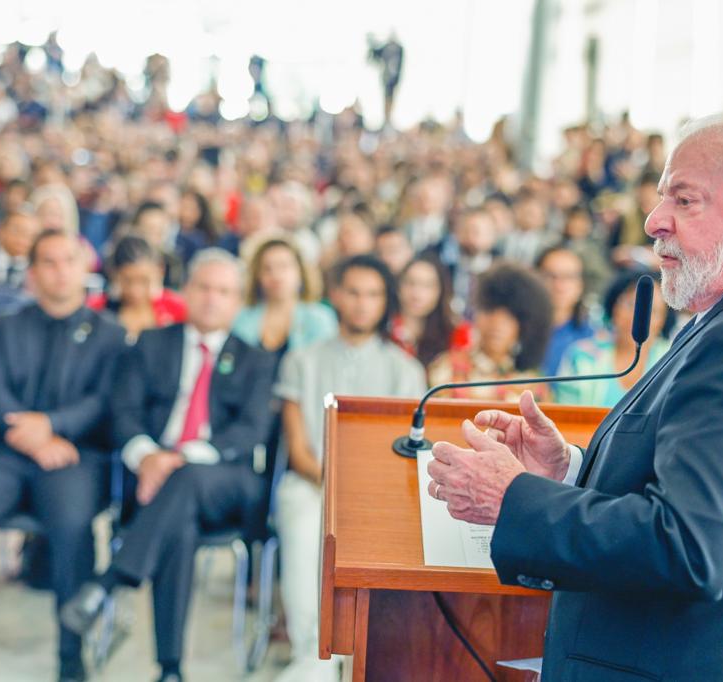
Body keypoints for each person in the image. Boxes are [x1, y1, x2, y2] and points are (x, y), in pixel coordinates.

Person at [425, 111, 723, 680]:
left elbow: (688, 548)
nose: (652, 220)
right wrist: (568, 472)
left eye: (684, 200)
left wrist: (512, 497)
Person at [0, 229, 126, 682]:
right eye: (47, 262)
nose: (59, 271)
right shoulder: (7, 324)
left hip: (75, 454)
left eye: (67, 260)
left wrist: (54, 426)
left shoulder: (111, 334)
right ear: (31, 273)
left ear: (84, 268)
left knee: (72, 526)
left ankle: (71, 657)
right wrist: (31, 434)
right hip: (7, 450)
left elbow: (104, 401)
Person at [61, 249, 276, 682]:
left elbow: (249, 432)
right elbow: (124, 413)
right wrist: (147, 457)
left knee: (188, 478)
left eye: (224, 291)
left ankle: (110, 581)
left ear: (238, 301)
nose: (213, 299)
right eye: (204, 288)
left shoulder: (257, 359)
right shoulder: (151, 344)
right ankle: (170, 668)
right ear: (185, 292)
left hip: (228, 483)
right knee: (179, 528)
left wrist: (177, 459)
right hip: (157, 484)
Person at [274, 255, 425, 682]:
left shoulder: (406, 369)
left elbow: (405, 455)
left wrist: (360, 493)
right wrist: (333, 487)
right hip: (311, 484)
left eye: (373, 294)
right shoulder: (300, 361)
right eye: (354, 292)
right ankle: (313, 656)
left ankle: (360, 655)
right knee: (306, 522)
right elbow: (298, 449)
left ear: (384, 302)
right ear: (337, 296)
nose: (362, 304)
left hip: (380, 495)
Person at [427, 263, 552, 401]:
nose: (497, 324)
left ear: (524, 324)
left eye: (509, 317)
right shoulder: (447, 367)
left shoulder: (533, 383)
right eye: (490, 311)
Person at [554, 271, 671, 407]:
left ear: (664, 320)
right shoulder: (582, 355)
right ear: (614, 306)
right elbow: (568, 417)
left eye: (654, 311)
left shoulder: (672, 358)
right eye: (630, 305)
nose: (636, 317)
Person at [233, 237, 336, 360]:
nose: (276, 275)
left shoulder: (320, 318)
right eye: (267, 268)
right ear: (257, 276)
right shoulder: (241, 317)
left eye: (284, 266)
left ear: (300, 272)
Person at [87, 236, 186, 342]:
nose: (136, 291)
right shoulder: (97, 309)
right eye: (127, 281)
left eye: (144, 281)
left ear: (159, 271)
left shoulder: (176, 309)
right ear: (114, 275)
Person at [391, 254, 471, 368]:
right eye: (410, 283)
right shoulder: (386, 331)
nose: (417, 294)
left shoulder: (455, 334)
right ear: (399, 287)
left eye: (427, 286)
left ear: (440, 291)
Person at [535, 246, 595, 376]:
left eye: (569, 277)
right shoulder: (518, 330)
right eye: (550, 276)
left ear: (580, 285)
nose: (559, 285)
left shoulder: (592, 336)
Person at [0, 206, 41, 291]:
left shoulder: (37, 269)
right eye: (17, 230)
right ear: (0, 231)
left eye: (31, 235)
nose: (22, 238)